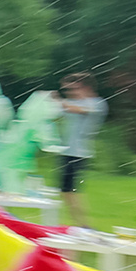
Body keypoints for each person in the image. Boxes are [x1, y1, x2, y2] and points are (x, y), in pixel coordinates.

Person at [56, 73, 107, 228]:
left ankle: (84, 226)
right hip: (67, 151)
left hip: (79, 153)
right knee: (66, 191)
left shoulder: (97, 103)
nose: (70, 93)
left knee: (71, 191)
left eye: (73, 88)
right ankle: (81, 225)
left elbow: (78, 109)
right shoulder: (72, 103)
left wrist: (58, 101)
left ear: (86, 87)